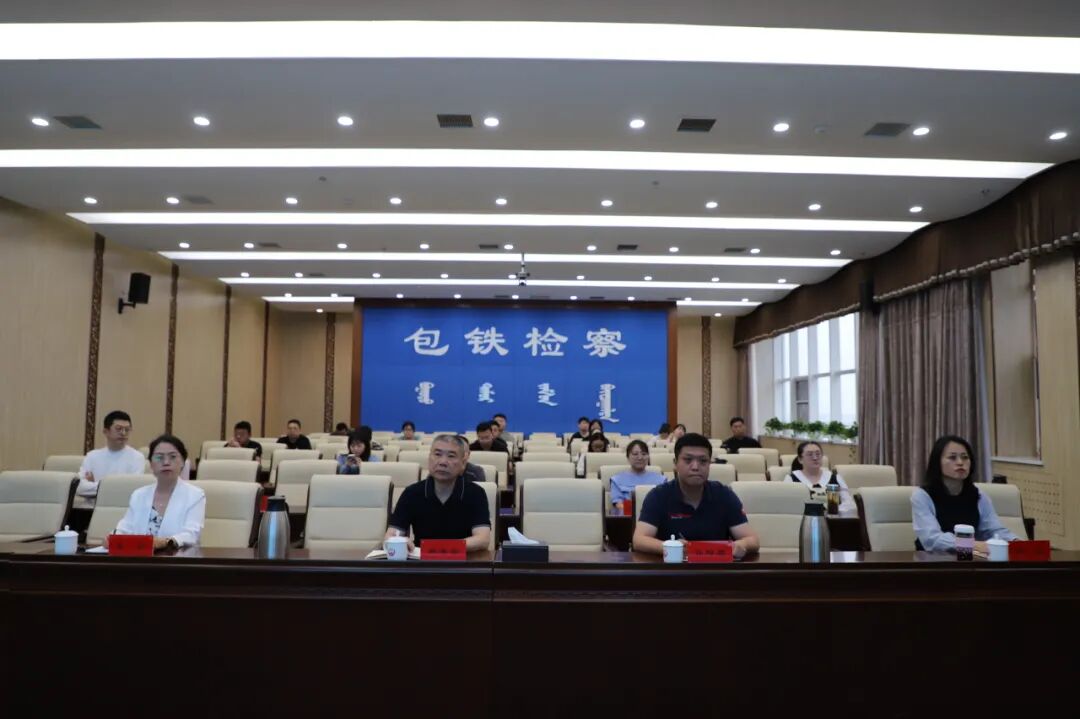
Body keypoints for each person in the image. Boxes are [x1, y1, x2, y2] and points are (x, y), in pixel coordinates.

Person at [633, 433, 760, 559]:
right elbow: (639, 539)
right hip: (673, 567)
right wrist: (670, 547)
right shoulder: (658, 495)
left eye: (703, 461)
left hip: (716, 568)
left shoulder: (724, 495)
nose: (695, 467)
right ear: (675, 463)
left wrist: (741, 545)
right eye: (688, 460)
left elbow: (752, 539)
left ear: (710, 464)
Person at [912, 435, 1018, 553]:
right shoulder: (922, 496)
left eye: (965, 457)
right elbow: (932, 539)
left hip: (970, 559)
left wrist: (1016, 542)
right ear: (937, 462)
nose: (960, 462)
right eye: (952, 457)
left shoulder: (979, 496)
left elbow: (993, 530)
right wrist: (972, 544)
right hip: (932, 560)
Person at [385, 434, 491, 552]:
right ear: (429, 459)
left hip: (464, 560)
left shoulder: (476, 493)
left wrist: (438, 548)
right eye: (437, 454)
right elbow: (391, 535)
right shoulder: (412, 493)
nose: (443, 462)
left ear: (463, 463)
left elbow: (483, 539)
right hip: (421, 560)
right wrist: (401, 541)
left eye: (451, 456)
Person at [105, 434, 205, 550]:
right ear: (151, 464)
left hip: (177, 557)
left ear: (183, 462)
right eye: (159, 457)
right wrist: (112, 538)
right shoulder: (139, 495)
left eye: (173, 457)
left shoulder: (195, 495)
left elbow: (192, 534)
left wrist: (165, 542)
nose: (166, 462)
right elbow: (125, 528)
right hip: (139, 557)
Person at [76, 410, 146, 508]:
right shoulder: (92, 456)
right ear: (106, 431)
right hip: (91, 509)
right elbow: (79, 487)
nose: (123, 433)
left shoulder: (137, 457)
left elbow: (131, 489)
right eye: (119, 429)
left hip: (122, 508)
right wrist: (116, 487)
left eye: (127, 430)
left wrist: (94, 485)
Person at [784, 441, 855, 515]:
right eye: (810, 454)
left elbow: (849, 504)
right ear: (800, 459)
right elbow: (787, 504)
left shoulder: (835, 478)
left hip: (831, 519)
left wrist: (833, 510)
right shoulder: (791, 479)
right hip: (801, 519)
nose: (815, 458)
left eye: (818, 454)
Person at [609, 440, 665, 506]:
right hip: (629, 512)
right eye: (635, 454)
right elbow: (618, 504)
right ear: (628, 457)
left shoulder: (661, 480)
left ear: (648, 457)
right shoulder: (617, 480)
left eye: (644, 454)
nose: (640, 458)